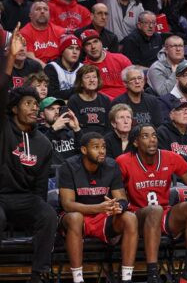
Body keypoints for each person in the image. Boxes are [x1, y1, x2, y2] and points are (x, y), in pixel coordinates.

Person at [0, 26, 57, 283]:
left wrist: (38, 205)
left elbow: (40, 187)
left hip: (24, 199)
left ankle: (38, 274)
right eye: (27, 104)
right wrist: (10, 58)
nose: (34, 108)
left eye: (36, 104)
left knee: (46, 213)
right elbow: (2, 91)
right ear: (14, 109)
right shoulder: (4, 126)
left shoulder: (44, 143)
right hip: (0, 198)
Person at [117, 124, 187, 283]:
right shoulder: (124, 161)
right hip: (137, 216)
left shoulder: (171, 157)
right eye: (145, 136)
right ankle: (153, 275)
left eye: (154, 136)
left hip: (164, 215)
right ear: (136, 142)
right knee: (155, 210)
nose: (152, 140)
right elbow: (116, 192)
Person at [57, 132, 139, 283]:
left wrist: (118, 207)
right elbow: (67, 204)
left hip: (102, 217)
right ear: (83, 150)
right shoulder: (68, 166)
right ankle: (78, 279)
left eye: (103, 147)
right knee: (75, 217)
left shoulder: (112, 165)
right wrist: (98, 208)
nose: (102, 151)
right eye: (96, 147)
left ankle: (127, 278)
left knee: (130, 217)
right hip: (77, 217)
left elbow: (122, 198)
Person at [81, 30, 131, 100]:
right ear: (84, 49)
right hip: (103, 104)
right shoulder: (84, 68)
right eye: (88, 44)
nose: (93, 47)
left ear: (101, 43)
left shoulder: (121, 59)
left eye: (95, 41)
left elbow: (134, 81)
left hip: (128, 101)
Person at [67, 65, 111, 135]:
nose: (92, 80)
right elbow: (73, 127)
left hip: (103, 139)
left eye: (94, 77)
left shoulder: (105, 100)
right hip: (81, 138)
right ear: (81, 82)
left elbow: (109, 126)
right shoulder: (74, 101)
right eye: (87, 77)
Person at [39, 96, 82, 165]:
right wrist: (53, 129)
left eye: (59, 108)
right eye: (51, 109)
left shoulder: (70, 131)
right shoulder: (38, 133)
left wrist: (77, 129)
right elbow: (38, 150)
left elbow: (83, 151)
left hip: (73, 172)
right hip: (53, 174)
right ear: (42, 115)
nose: (56, 112)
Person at [44, 34, 83, 100]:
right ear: (62, 51)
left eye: (77, 49)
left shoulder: (83, 68)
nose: (74, 52)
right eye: (70, 48)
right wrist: (77, 89)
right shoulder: (51, 68)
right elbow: (52, 95)